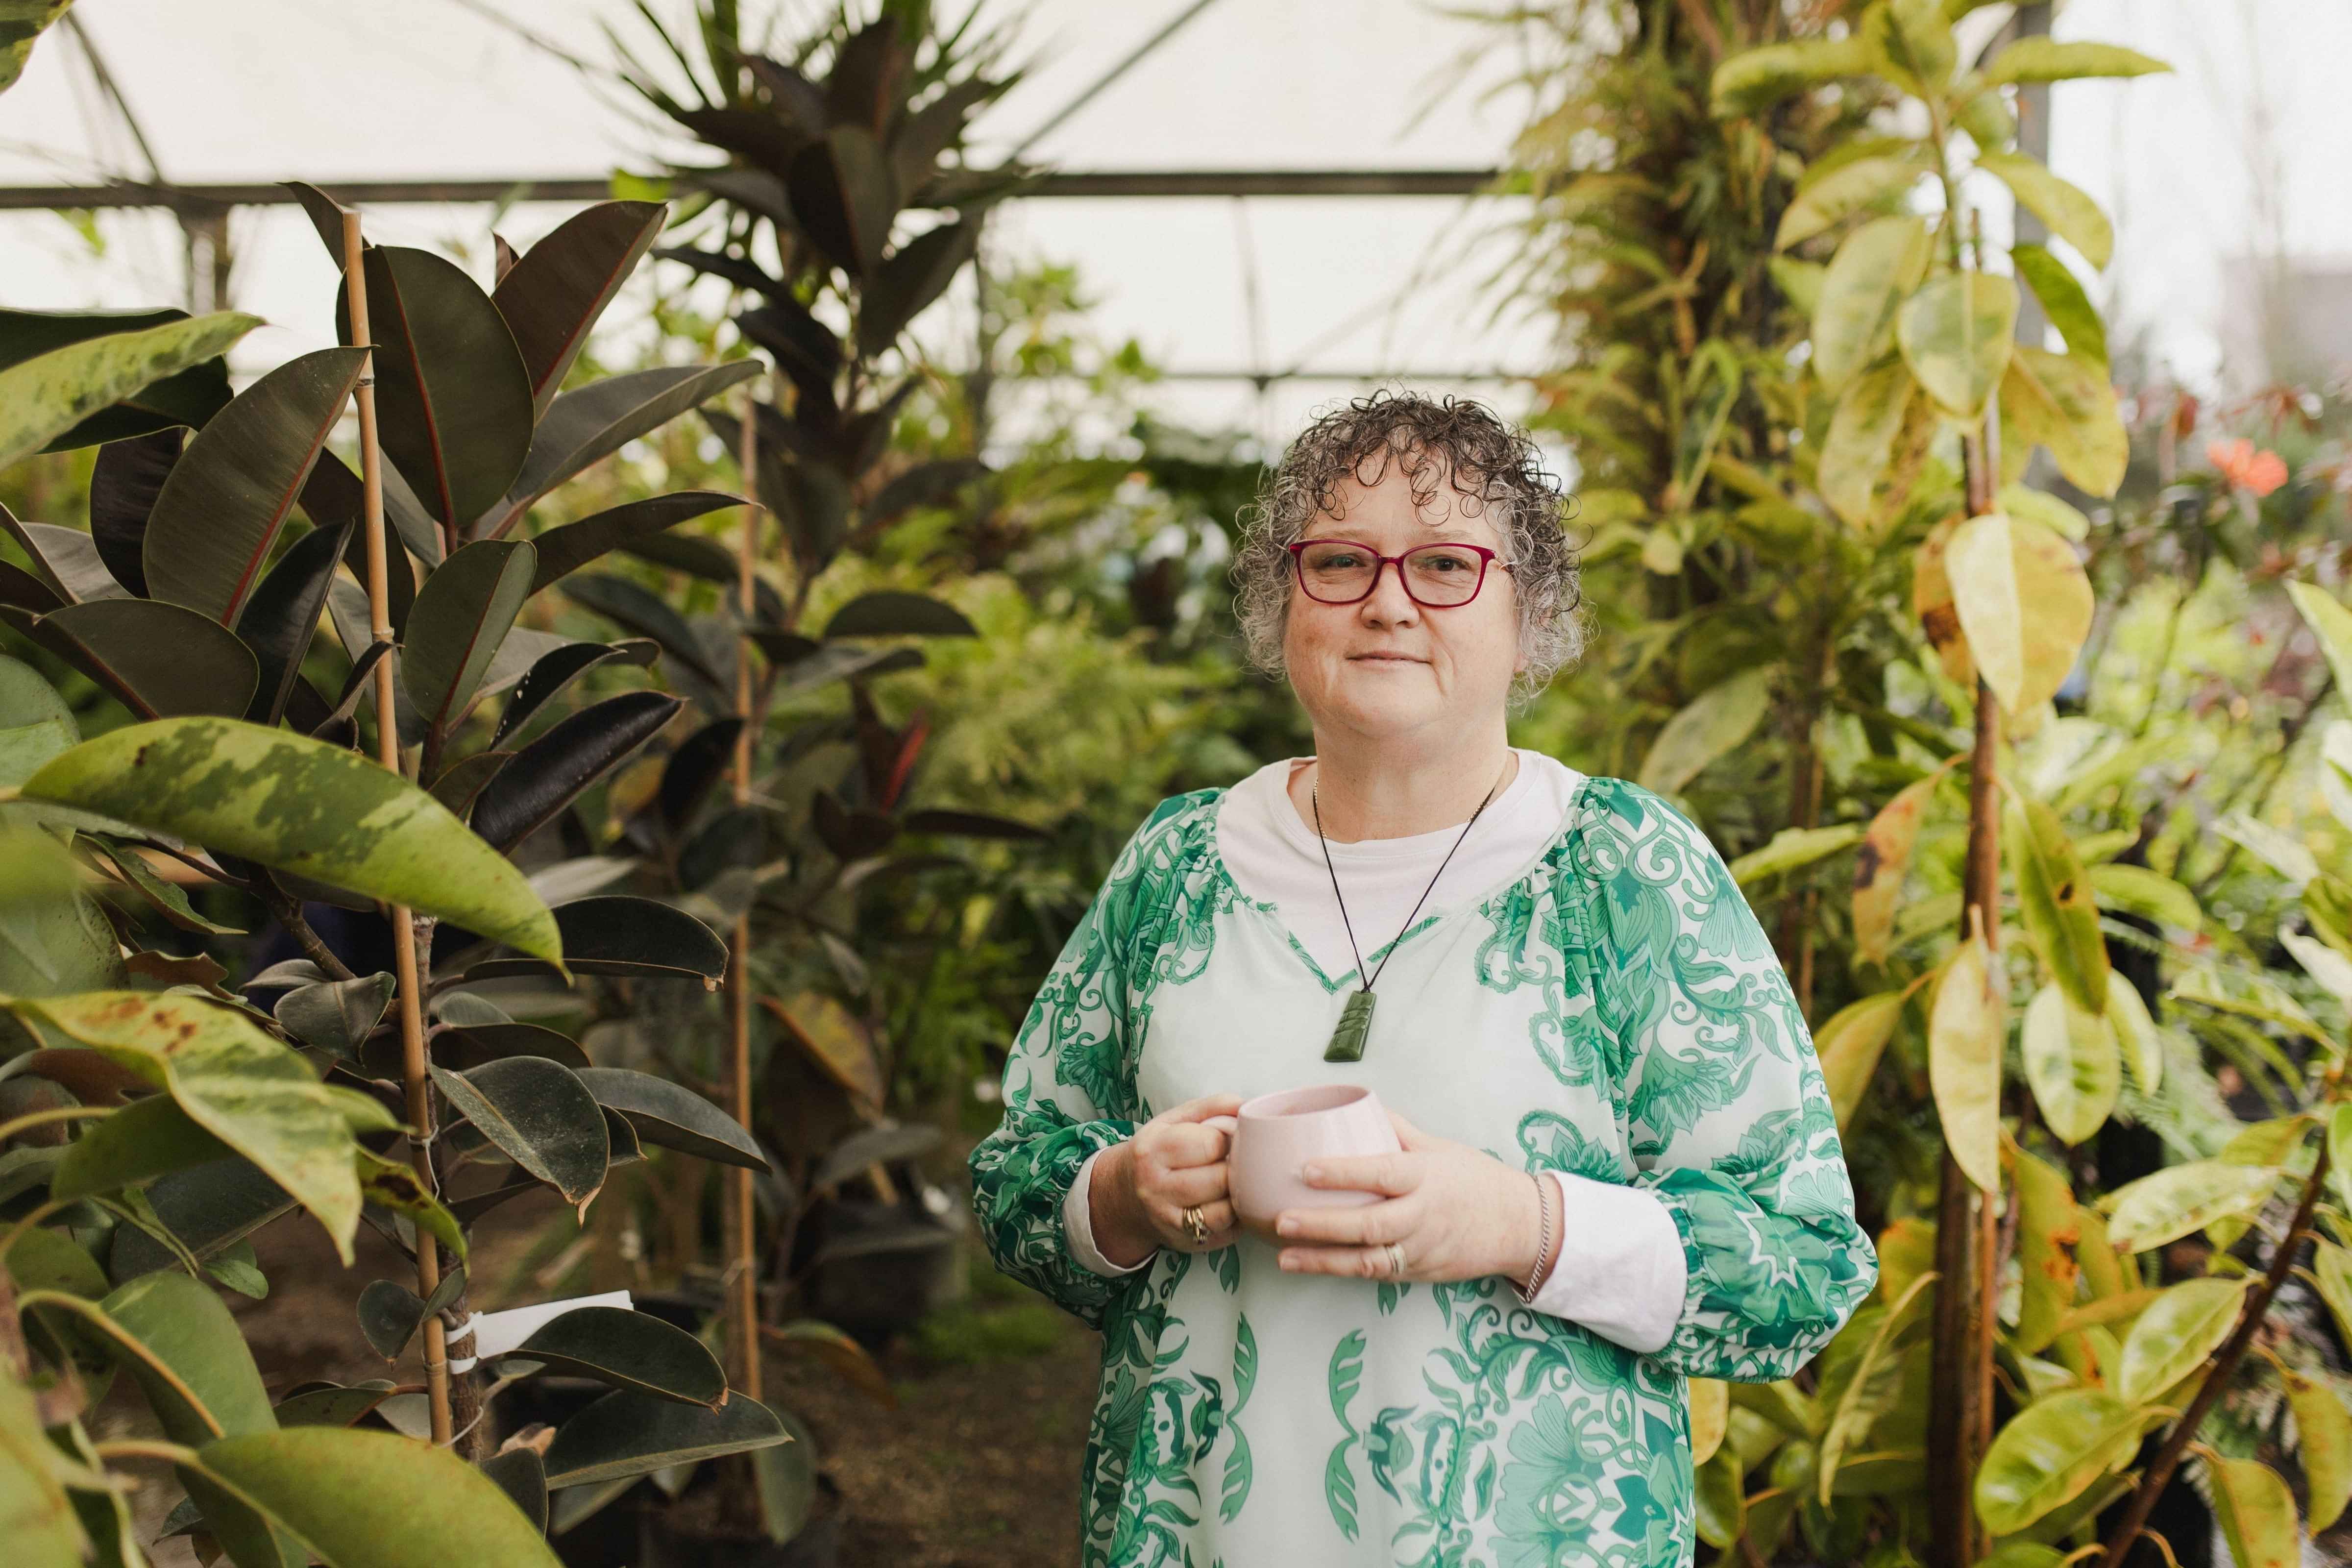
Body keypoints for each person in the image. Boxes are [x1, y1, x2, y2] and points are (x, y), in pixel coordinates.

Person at [967, 389, 1874, 1568]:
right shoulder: (1179, 866)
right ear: (1283, 604)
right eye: (1340, 561)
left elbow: (1801, 1264)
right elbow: (1014, 1179)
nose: (1388, 600)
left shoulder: (1626, 873)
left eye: (1445, 563)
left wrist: (1522, 1221)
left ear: (1528, 609)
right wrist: (1123, 1197)